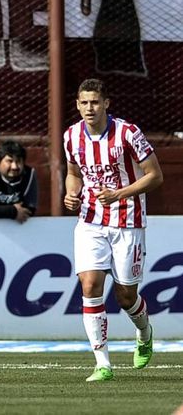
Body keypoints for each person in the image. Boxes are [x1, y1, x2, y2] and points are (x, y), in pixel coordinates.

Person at [63, 78, 163, 382]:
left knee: (125, 296)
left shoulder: (128, 133)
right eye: (84, 103)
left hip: (128, 222)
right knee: (90, 285)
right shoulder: (70, 137)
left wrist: (119, 194)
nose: (89, 108)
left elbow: (155, 176)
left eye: (95, 102)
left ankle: (144, 331)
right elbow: (73, 174)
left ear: (106, 103)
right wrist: (71, 193)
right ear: (78, 105)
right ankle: (102, 363)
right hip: (91, 221)